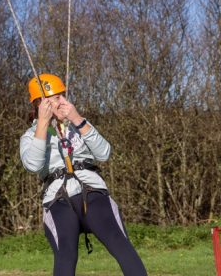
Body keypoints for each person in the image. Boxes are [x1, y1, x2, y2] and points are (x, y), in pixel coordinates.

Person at [20, 73, 147, 276]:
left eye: (63, 96)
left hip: (92, 192)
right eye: (56, 98)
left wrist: (77, 119)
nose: (63, 101)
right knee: (66, 254)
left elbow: (104, 153)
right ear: (40, 104)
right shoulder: (30, 136)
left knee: (120, 243)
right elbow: (33, 165)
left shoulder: (77, 126)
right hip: (58, 200)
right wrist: (43, 124)